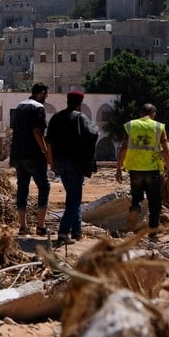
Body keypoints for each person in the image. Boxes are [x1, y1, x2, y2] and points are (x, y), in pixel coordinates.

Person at [46, 91, 98, 245]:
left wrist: (51, 163)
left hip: (60, 163)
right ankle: (63, 234)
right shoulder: (80, 117)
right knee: (74, 200)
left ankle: (77, 231)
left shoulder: (56, 118)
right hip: (75, 163)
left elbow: (48, 142)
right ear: (79, 103)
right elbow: (92, 133)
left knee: (73, 196)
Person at [115, 103, 169, 237]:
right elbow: (166, 151)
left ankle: (135, 207)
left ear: (141, 113)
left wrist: (118, 168)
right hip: (153, 170)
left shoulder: (130, 126)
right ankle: (153, 231)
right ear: (153, 114)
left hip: (135, 169)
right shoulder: (159, 127)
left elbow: (123, 149)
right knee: (155, 201)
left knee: (137, 197)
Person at [10, 82, 52, 236]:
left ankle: (23, 226)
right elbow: (37, 131)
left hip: (18, 154)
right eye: (45, 95)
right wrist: (45, 151)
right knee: (44, 187)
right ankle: (40, 226)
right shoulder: (38, 108)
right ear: (41, 93)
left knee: (22, 188)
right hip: (34, 154)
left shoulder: (20, 106)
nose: (46, 98)